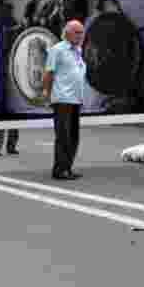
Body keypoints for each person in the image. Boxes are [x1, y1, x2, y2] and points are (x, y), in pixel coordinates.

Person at [42, 20, 87, 180]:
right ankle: (59, 170)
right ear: (67, 33)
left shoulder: (78, 50)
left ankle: (67, 167)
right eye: (77, 32)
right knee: (63, 136)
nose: (81, 36)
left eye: (82, 32)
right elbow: (48, 73)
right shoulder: (57, 50)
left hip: (75, 99)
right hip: (62, 99)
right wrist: (47, 94)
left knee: (74, 136)